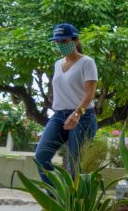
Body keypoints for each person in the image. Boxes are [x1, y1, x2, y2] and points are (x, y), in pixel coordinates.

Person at [34, 23, 98, 183]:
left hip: (83, 117)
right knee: (41, 157)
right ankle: (57, 199)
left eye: (64, 41)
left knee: (76, 166)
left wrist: (77, 114)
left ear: (75, 40)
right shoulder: (57, 64)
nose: (60, 45)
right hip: (59, 116)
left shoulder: (87, 62)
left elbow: (90, 93)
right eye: (57, 42)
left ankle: (75, 204)